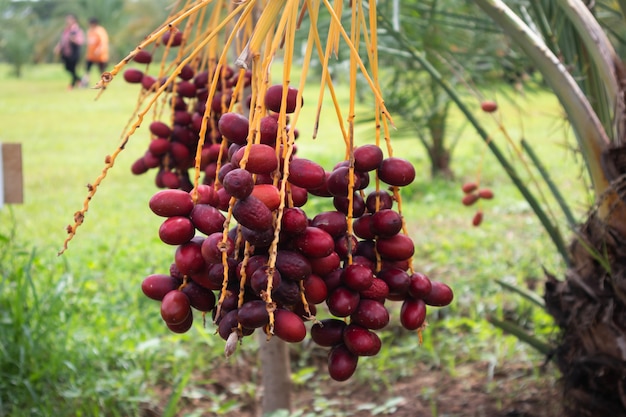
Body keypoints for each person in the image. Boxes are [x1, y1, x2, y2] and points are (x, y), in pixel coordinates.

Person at [54, 14, 85, 90]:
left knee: (73, 68)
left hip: (74, 53)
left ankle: (72, 85)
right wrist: (58, 47)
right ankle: (80, 80)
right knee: (67, 68)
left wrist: (73, 40)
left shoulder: (77, 30)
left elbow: (80, 41)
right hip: (66, 53)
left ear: (74, 20)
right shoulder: (66, 30)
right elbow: (63, 41)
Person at [82, 17, 110, 87]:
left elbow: (103, 42)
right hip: (91, 56)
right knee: (87, 70)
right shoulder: (89, 31)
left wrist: (98, 49)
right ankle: (85, 83)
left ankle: (104, 83)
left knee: (102, 71)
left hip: (100, 56)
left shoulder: (100, 31)